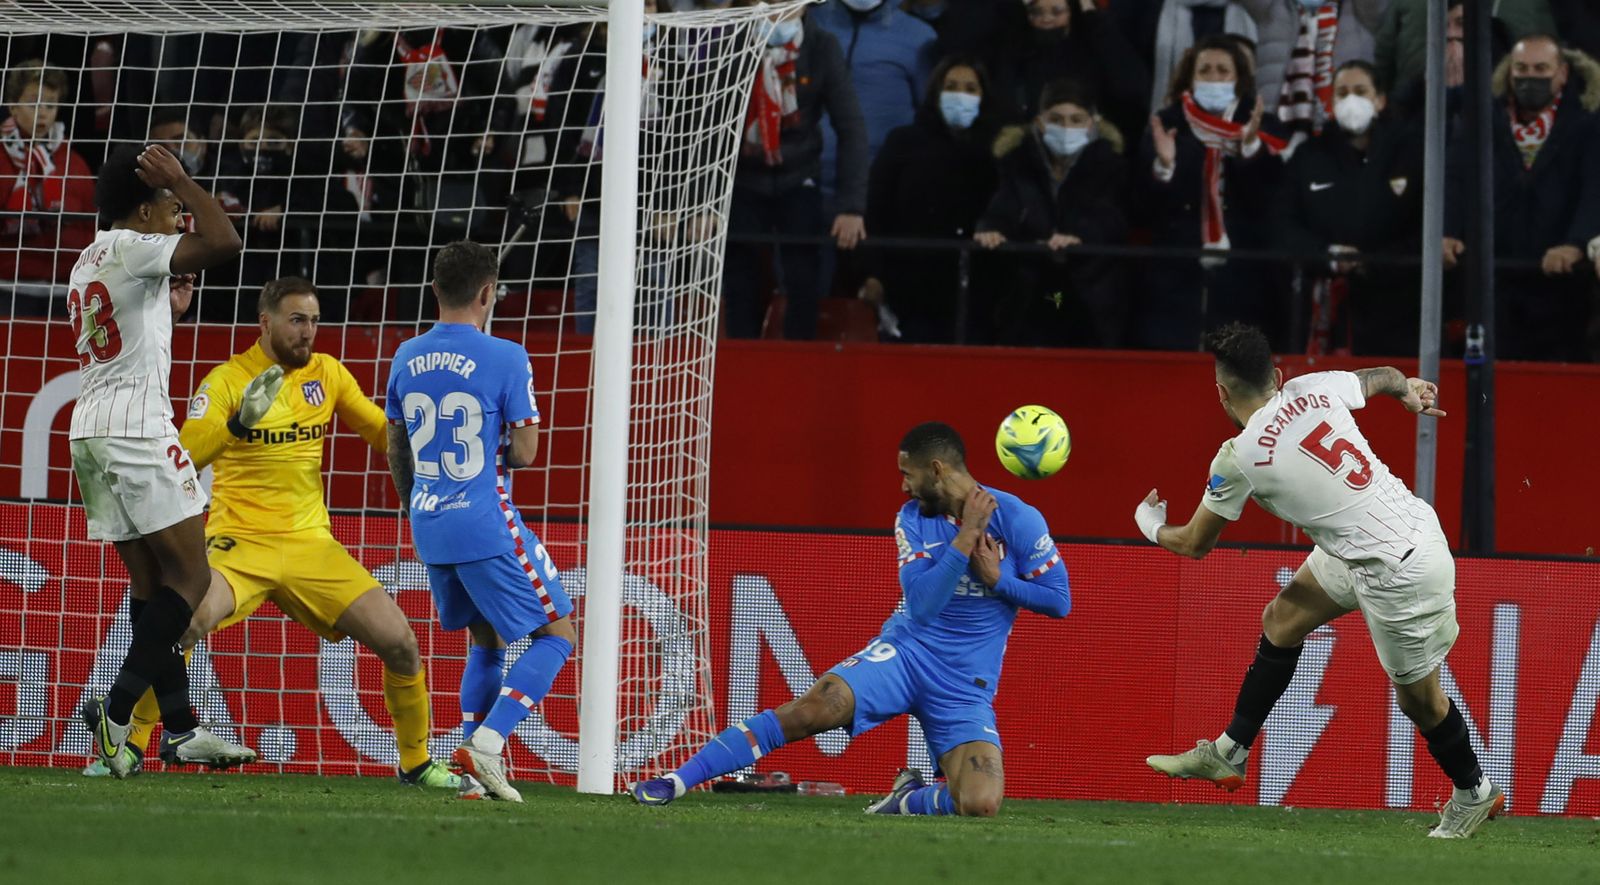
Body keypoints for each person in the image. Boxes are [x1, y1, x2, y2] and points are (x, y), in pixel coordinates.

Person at [82, 277, 459, 790]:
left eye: (315, 321)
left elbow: (379, 431)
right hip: (240, 544)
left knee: (401, 644)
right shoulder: (228, 381)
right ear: (266, 323)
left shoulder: (327, 375)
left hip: (312, 546)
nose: (309, 333)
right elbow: (186, 456)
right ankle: (128, 745)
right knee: (182, 624)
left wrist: (429, 462)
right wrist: (237, 425)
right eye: (297, 321)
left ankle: (416, 763)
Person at [1136, 323, 1502, 839]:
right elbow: (1379, 376)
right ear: (1278, 375)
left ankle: (1474, 792)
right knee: (1283, 617)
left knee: (1420, 700)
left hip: (1398, 571)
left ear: (1221, 392)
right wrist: (1408, 390)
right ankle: (1228, 753)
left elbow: (1194, 543)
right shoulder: (1314, 387)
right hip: (1398, 531)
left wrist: (1149, 523)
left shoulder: (1238, 457)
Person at [630, 422, 1071, 816]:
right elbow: (921, 606)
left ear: (936, 469)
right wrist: (966, 538)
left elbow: (1059, 601)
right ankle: (676, 782)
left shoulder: (1017, 518)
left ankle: (908, 799)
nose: (903, 487)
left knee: (980, 803)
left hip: (963, 684)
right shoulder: (912, 519)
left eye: (907, 474)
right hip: (904, 655)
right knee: (812, 710)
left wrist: (998, 580)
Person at [73, 144, 255, 777]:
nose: (181, 218)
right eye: (172, 208)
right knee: (193, 579)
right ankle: (116, 710)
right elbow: (227, 242)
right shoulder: (133, 246)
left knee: (151, 587)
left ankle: (181, 731)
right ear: (144, 209)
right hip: (136, 430)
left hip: (89, 432)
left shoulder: (86, 260)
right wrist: (184, 180)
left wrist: (174, 201)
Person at [385, 240, 578, 802]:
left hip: (427, 519)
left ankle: (475, 776)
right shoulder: (507, 355)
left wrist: (416, 503)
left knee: (486, 639)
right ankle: (489, 742)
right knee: (558, 633)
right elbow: (523, 452)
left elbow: (398, 446)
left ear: (435, 290)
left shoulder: (405, 356)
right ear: (489, 292)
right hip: (484, 519)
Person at [1443, 35, 1600, 362]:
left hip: (1562, 282)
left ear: (1562, 73)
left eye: (1541, 68)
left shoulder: (1588, 121)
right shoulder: (1481, 119)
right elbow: (1457, 178)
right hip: (1495, 278)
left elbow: (1594, 187)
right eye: (1522, 68)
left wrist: (1577, 242)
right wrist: (1449, 231)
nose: (1531, 77)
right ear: (1509, 72)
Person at [722, 3, 869, 340]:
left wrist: (851, 207)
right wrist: (702, 205)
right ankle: (739, 373)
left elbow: (851, 127)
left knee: (803, 281)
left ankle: (798, 369)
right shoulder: (733, 44)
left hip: (798, 178)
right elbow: (706, 126)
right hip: (742, 180)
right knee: (739, 284)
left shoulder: (822, 46)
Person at [1138, 36, 1289, 350]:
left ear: (1239, 79)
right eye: (1205, 70)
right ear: (1190, 78)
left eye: (1223, 71)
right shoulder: (1167, 124)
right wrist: (1165, 168)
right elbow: (1141, 204)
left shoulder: (1262, 125)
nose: (1214, 77)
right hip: (1177, 273)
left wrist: (1249, 151)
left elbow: (1273, 199)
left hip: (1246, 272)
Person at [1274, 60, 1424, 355]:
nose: (1351, 100)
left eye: (1360, 91)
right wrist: (1327, 256)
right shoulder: (1308, 156)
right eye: (1342, 93)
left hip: (1396, 309)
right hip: (1321, 308)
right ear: (1331, 103)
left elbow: (1424, 229)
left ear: (1380, 100)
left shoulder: (1410, 153)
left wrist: (1370, 261)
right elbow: (1283, 223)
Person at [974, 79, 1130, 347]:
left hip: (1091, 295)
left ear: (1092, 123)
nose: (1066, 127)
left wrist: (1079, 238)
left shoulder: (1111, 165)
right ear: (1040, 122)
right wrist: (989, 228)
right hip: (1029, 293)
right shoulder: (1018, 162)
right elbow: (1002, 208)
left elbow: (1113, 218)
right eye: (1056, 119)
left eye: (1076, 119)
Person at [860, 55, 1002, 343]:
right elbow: (876, 210)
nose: (960, 95)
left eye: (970, 88)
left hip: (978, 289)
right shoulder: (903, 141)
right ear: (935, 92)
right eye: (950, 86)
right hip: (910, 285)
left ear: (984, 96)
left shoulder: (998, 149)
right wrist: (872, 274)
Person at [1, 63, 96, 313]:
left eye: (50, 105)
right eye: (33, 104)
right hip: (6, 290)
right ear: (12, 105)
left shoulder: (75, 163)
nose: (42, 113)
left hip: (65, 292)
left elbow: (90, 228)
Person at [988, 0, 1151, 143]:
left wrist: (1091, 15)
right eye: (1037, 12)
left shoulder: (1094, 48)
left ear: (1071, 11)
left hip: (1088, 150)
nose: (1046, 19)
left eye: (1057, 11)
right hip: (1029, 150)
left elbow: (1132, 87)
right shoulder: (1016, 50)